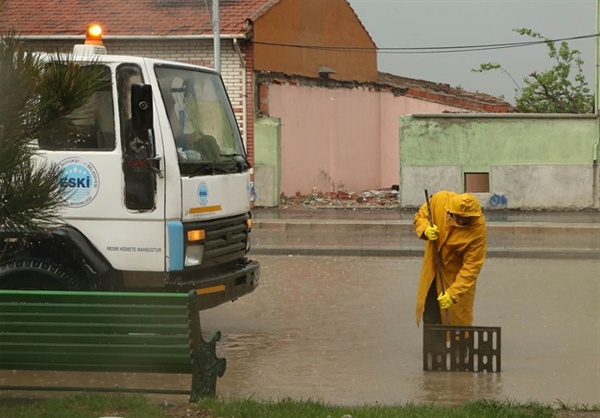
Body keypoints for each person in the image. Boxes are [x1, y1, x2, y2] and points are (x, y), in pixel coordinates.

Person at [414, 191, 487, 326]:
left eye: (466, 218)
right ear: (450, 210)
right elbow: (421, 216)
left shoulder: (477, 228)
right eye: (457, 217)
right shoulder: (439, 201)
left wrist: (453, 293)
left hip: (455, 278)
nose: (461, 221)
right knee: (430, 312)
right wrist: (425, 229)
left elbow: (472, 266)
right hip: (432, 271)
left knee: (458, 318)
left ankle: (459, 345)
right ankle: (433, 344)